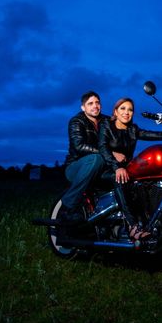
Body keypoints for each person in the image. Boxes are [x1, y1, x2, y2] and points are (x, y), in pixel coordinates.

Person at [99, 97, 162, 240]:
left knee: (146, 180)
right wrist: (116, 167)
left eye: (130, 110)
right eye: (123, 108)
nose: (127, 112)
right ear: (115, 111)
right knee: (120, 178)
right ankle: (133, 226)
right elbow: (103, 147)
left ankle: (148, 222)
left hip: (126, 170)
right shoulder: (106, 125)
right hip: (107, 168)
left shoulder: (133, 129)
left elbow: (152, 134)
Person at [61, 90, 106, 224]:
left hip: (100, 166)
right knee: (96, 158)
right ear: (83, 107)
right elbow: (79, 146)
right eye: (90, 103)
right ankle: (68, 206)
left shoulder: (106, 121)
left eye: (97, 103)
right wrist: (106, 153)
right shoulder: (76, 121)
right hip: (76, 167)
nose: (95, 106)